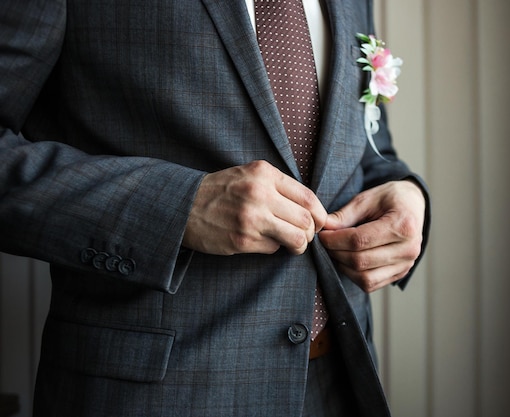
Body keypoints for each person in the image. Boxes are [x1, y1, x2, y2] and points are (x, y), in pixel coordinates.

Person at [0, 0, 430, 416]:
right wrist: (178, 208)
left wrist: (403, 193)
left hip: (340, 379)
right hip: (161, 391)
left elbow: (363, 141)